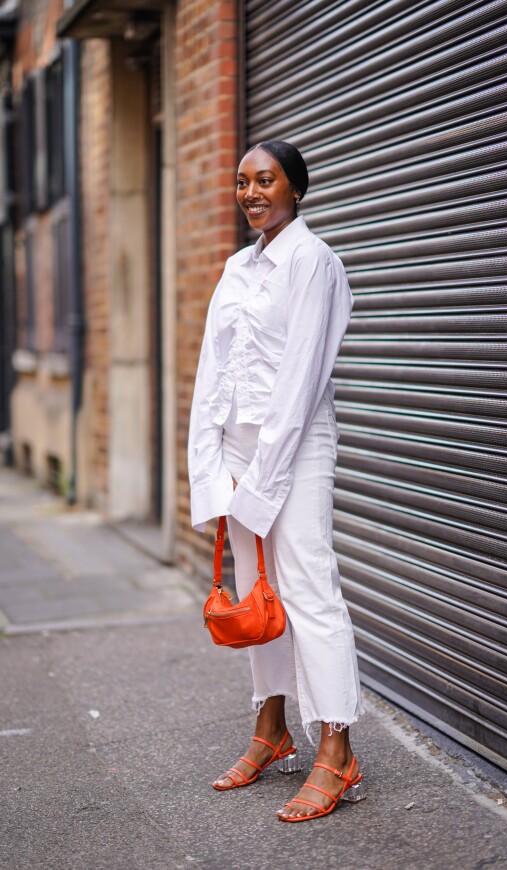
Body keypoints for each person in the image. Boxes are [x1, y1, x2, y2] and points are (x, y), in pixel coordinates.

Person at [187, 140, 365, 822]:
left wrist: (260, 479)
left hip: (295, 446)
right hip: (237, 450)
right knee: (260, 595)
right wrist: (210, 469)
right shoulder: (236, 267)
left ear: (295, 188)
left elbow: (301, 382)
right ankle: (271, 728)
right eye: (242, 182)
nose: (251, 192)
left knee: (309, 587)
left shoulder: (314, 263)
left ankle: (337, 749)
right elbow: (212, 375)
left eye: (265, 180)